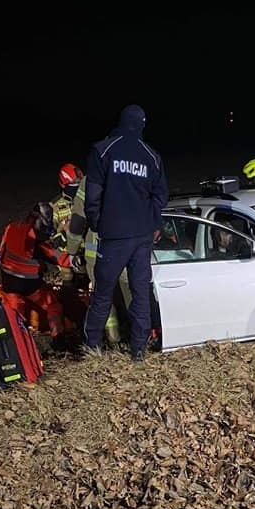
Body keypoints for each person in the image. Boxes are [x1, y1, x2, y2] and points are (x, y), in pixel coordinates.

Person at [82, 105, 168, 362]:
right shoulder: (152, 156)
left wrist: (98, 223)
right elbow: (160, 196)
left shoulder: (102, 150)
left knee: (102, 292)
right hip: (141, 237)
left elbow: (93, 194)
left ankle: (92, 346)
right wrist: (152, 223)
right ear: (141, 124)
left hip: (114, 236)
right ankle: (138, 350)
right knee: (140, 290)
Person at [64, 172, 130, 347]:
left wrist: (72, 250)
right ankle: (141, 337)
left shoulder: (92, 179)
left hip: (99, 249)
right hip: (130, 246)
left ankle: (114, 340)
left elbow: (78, 218)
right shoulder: (137, 172)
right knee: (133, 292)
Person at [0, 201, 65, 348]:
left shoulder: (11, 228)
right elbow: (60, 258)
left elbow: (0, 252)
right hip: (30, 285)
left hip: (8, 282)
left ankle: (16, 345)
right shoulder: (38, 239)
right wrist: (76, 259)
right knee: (53, 305)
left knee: (14, 313)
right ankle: (58, 339)